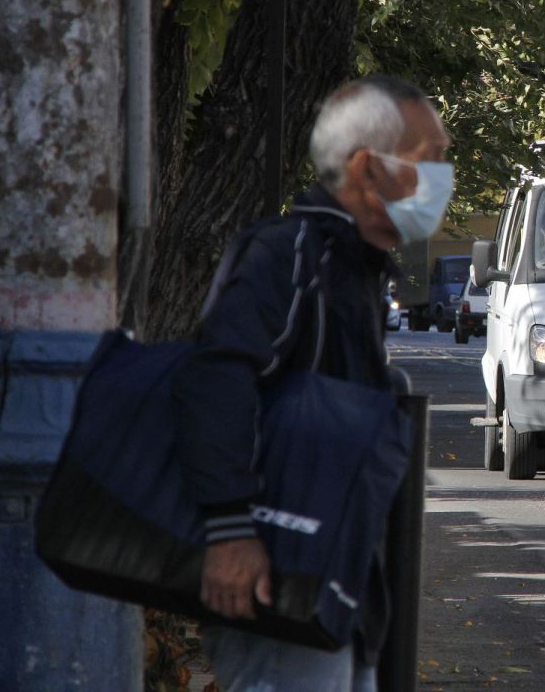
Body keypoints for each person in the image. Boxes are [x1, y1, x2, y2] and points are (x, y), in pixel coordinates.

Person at [172, 75, 452, 691]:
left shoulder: (352, 267)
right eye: (428, 159)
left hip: (328, 582)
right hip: (278, 583)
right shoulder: (292, 255)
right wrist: (230, 532)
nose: (441, 178)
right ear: (365, 168)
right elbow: (217, 380)